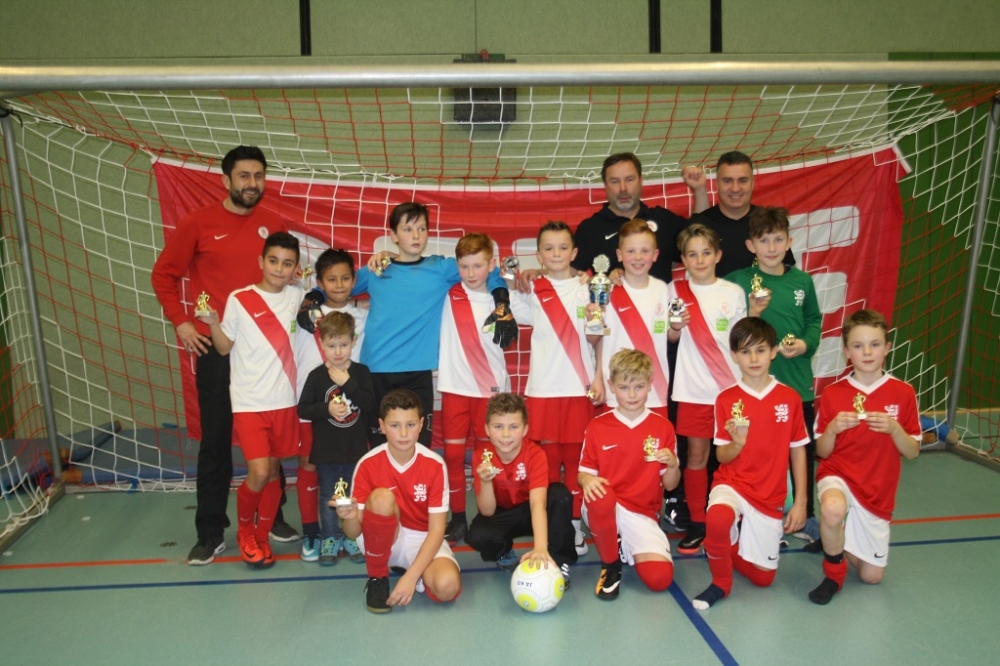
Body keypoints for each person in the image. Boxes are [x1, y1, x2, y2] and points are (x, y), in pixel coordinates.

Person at [150, 145, 296, 565]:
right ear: (226, 180)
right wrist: (181, 321)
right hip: (218, 349)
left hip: (266, 354)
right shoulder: (198, 223)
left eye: (258, 176)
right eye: (244, 176)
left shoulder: (273, 223)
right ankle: (210, 531)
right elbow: (163, 274)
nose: (252, 183)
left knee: (271, 445)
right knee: (215, 441)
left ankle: (273, 518)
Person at [351, 202, 516, 447]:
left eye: (421, 229)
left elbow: (488, 271)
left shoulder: (440, 268)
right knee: (381, 443)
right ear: (393, 235)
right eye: (407, 229)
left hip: (418, 372)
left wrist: (502, 302)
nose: (416, 236)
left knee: (419, 445)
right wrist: (314, 298)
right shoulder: (377, 269)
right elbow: (337, 286)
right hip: (376, 369)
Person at [196, 232, 304, 569]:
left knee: (273, 472)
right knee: (258, 472)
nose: (279, 268)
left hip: (284, 401)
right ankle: (245, 532)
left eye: (287, 263)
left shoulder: (298, 296)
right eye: (273, 261)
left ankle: (262, 535)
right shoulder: (240, 299)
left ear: (295, 269)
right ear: (261, 261)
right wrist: (214, 324)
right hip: (249, 403)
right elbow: (224, 347)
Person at [691, 317, 809, 610]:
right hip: (732, 483)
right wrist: (738, 443)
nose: (753, 359)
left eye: (760, 350)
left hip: (769, 494)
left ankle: (722, 546)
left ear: (774, 352)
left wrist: (801, 502)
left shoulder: (789, 398)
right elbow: (721, 456)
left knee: (762, 578)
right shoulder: (726, 399)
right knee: (718, 518)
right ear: (734, 356)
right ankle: (720, 583)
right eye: (745, 352)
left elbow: (798, 451)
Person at [808, 309, 921, 605]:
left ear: (887, 347)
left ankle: (834, 537)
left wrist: (894, 429)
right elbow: (822, 452)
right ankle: (833, 573)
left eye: (875, 344)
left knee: (871, 577)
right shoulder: (833, 393)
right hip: (838, 473)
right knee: (832, 508)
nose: (867, 352)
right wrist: (832, 428)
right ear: (847, 352)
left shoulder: (903, 392)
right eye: (858, 346)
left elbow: (912, 451)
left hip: (877, 488)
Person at [728, 206, 822, 542]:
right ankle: (755, 514)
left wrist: (805, 344)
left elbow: (814, 321)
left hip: (795, 382)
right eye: (764, 240)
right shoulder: (737, 281)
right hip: (752, 387)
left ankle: (804, 516)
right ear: (751, 245)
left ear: (789, 242)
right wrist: (752, 312)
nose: (771, 247)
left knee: (801, 451)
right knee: (756, 451)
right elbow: (727, 328)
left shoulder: (802, 281)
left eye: (778, 239)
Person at [508, 221, 601, 556]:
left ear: (574, 252)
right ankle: (549, 526)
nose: (556, 253)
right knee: (546, 464)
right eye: (549, 248)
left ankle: (573, 525)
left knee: (576, 462)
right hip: (543, 390)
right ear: (539, 255)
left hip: (578, 388)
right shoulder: (534, 288)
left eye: (563, 248)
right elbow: (514, 308)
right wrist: (515, 280)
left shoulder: (590, 285)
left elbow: (598, 335)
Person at [337, 389, 462, 613]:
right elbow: (353, 533)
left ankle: (415, 570)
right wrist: (351, 517)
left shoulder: (434, 464)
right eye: (394, 425)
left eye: (410, 425)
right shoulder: (367, 464)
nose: (403, 433)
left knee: (447, 587)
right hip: (380, 540)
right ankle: (378, 577)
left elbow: (437, 530)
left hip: (422, 539)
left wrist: (411, 577)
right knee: (382, 497)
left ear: (421, 424)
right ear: (382, 426)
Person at [667, 223, 746, 555]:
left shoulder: (734, 292)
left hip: (730, 390)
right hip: (693, 390)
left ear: (718, 255)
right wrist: (674, 328)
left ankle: (736, 517)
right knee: (697, 456)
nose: (699, 260)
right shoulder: (674, 290)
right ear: (684, 259)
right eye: (692, 254)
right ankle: (699, 522)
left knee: (735, 455)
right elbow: (669, 337)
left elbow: (741, 342)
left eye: (706, 253)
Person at [578, 349, 681, 600]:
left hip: (642, 512)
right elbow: (583, 475)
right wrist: (588, 480)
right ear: (612, 386)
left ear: (650, 384)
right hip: (605, 507)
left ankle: (622, 542)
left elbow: (670, 485)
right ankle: (611, 564)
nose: (632, 395)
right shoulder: (597, 426)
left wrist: (673, 465)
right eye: (624, 387)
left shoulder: (663, 427)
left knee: (659, 579)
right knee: (600, 496)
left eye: (639, 387)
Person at [294, 249, 369, 561]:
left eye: (345, 278)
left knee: (351, 486)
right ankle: (320, 534)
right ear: (320, 282)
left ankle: (350, 536)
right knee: (318, 477)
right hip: (319, 418)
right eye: (331, 279)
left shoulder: (362, 316)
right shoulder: (307, 310)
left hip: (352, 427)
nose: (339, 284)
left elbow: (368, 400)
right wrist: (309, 297)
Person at [437, 233, 511, 544]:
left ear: (491, 264)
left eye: (478, 266)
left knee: (486, 459)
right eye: (464, 266)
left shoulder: (503, 299)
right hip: (454, 388)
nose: (470, 273)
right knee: (453, 457)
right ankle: (457, 519)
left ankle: (488, 516)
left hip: (490, 392)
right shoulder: (446, 292)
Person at [466, 393, 577, 584]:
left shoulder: (535, 454)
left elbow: (537, 504)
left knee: (559, 495)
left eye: (513, 427)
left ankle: (558, 560)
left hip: (531, 509)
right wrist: (485, 482)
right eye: (498, 426)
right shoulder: (482, 456)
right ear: (487, 429)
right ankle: (504, 551)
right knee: (477, 535)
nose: (506, 434)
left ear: (525, 429)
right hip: (502, 512)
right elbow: (487, 511)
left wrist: (540, 547)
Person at [296, 312, 378, 566]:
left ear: (354, 341)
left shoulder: (361, 373)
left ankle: (351, 536)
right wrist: (327, 409)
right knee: (328, 496)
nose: (338, 351)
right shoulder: (316, 376)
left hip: (355, 449)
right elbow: (303, 409)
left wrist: (348, 382)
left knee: (354, 494)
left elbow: (370, 404)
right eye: (332, 346)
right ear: (322, 344)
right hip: (327, 450)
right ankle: (330, 537)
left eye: (343, 344)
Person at [571, 152, 708, 283]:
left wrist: (700, 189)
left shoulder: (663, 219)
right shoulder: (590, 230)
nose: (623, 188)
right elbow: (568, 277)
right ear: (605, 186)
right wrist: (601, 283)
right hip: (611, 301)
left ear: (641, 181)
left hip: (661, 299)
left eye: (629, 179)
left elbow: (702, 238)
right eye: (615, 181)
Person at [587, 220, 672, 418]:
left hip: (654, 389)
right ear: (619, 255)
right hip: (616, 390)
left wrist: (677, 327)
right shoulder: (606, 290)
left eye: (644, 251)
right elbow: (596, 339)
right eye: (631, 251)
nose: (638, 257)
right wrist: (598, 377)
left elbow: (670, 336)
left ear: (655, 255)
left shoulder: (663, 289)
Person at [685, 151, 795, 278]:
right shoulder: (699, 224)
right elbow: (671, 262)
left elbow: (790, 274)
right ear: (717, 184)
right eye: (727, 181)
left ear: (752, 184)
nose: (735, 188)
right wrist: (699, 190)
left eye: (742, 180)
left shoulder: (768, 221)